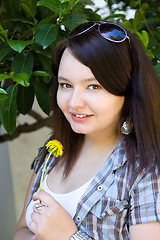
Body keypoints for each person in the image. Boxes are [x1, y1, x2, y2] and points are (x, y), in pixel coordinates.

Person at [13, 21, 160, 240]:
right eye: (66, 85)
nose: (74, 103)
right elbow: (22, 231)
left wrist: (68, 237)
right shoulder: (53, 150)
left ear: (127, 91)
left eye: (94, 86)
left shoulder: (145, 171)